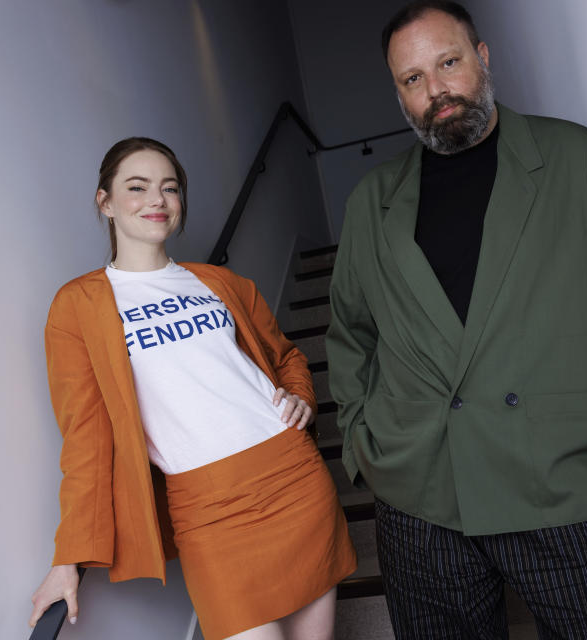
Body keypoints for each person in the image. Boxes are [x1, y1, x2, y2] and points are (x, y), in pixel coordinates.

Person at [325, 2, 587, 638]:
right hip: (421, 495)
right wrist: (363, 444)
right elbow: (350, 333)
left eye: (449, 63)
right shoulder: (370, 202)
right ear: (400, 96)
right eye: (413, 79)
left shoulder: (574, 157)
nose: (437, 90)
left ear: (482, 58)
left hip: (558, 477)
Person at [28, 137, 356, 640]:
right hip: (207, 509)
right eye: (137, 187)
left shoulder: (221, 283)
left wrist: (300, 398)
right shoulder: (78, 306)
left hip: (294, 480)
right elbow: (85, 439)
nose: (157, 200)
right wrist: (67, 558)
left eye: (170, 188)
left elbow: (285, 358)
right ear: (106, 201)